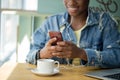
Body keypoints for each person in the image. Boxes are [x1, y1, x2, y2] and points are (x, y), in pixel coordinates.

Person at [26, 0, 120, 68]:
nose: (71, 2)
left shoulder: (105, 22)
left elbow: (117, 57)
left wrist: (82, 53)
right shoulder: (51, 22)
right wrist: (42, 54)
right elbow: (29, 56)